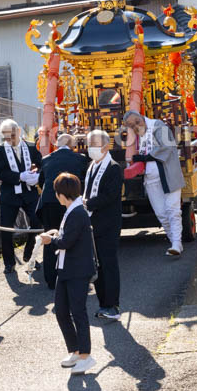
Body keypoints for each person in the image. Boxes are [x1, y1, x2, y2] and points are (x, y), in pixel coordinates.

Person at [39, 173, 97, 375]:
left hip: (77, 270)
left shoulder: (78, 212)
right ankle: (74, 350)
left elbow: (65, 242)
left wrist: (50, 240)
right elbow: (66, 237)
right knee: (62, 311)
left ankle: (86, 356)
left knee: (78, 312)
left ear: (61, 195)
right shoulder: (72, 210)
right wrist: (56, 236)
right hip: (66, 268)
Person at [124, 110, 185, 256]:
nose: (137, 126)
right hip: (151, 178)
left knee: (173, 210)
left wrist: (145, 158)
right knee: (161, 213)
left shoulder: (158, 125)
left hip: (168, 175)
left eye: (137, 122)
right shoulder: (140, 135)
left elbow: (167, 147)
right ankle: (174, 242)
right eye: (132, 126)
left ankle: (176, 243)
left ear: (141, 117)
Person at [37, 134, 88, 289]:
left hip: (49, 202)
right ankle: (70, 275)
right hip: (69, 203)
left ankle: (50, 279)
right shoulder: (80, 159)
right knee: (70, 237)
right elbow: (84, 180)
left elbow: (41, 181)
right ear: (72, 145)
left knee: (50, 237)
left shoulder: (46, 159)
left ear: (57, 145)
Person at [0, 120, 43, 274]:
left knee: (37, 221)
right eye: (6, 137)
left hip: (29, 192)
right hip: (10, 193)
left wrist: (38, 175)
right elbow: (0, 172)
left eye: (12, 136)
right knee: (6, 228)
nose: (10, 140)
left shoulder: (31, 147)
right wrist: (20, 176)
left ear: (19, 131)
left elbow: (42, 164)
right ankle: (9, 263)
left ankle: (29, 254)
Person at [84, 130, 123, 321]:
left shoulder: (113, 168)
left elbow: (110, 196)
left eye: (94, 144)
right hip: (92, 224)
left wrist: (87, 204)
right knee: (97, 265)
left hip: (108, 224)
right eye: (89, 143)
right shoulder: (91, 166)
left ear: (106, 146)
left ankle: (113, 305)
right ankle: (103, 304)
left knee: (109, 264)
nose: (90, 148)